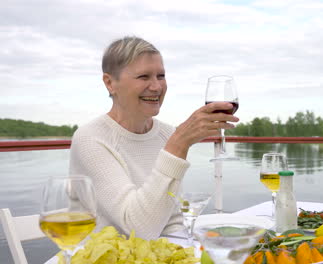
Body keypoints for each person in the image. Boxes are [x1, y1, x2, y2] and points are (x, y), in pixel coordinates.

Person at [69, 36, 239, 239]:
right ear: (109, 83)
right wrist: (178, 144)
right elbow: (139, 230)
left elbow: (172, 220)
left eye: (161, 76)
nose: (157, 87)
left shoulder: (166, 134)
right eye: (143, 77)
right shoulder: (91, 139)